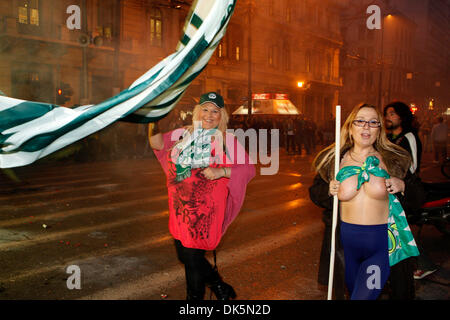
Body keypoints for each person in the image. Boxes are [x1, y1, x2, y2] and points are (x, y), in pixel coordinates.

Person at [148, 92, 255, 300]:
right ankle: (219, 286)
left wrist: (221, 171)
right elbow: (157, 144)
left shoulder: (227, 140)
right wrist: (153, 120)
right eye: (205, 109)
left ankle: (195, 301)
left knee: (192, 256)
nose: (209, 114)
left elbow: (249, 170)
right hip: (181, 209)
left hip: (207, 212)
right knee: (184, 254)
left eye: (215, 111)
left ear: (221, 116)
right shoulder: (183, 133)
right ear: (197, 112)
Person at [311, 103, 420, 300]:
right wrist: (328, 190)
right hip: (345, 247)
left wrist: (403, 185)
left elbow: (420, 194)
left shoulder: (395, 160)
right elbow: (315, 193)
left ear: (379, 130)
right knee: (353, 294)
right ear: (350, 127)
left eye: (373, 122)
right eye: (360, 121)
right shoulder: (334, 160)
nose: (366, 127)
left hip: (380, 246)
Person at [384, 101, 436, 288]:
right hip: (389, 187)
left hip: (407, 188)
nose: (388, 117)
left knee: (401, 227)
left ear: (401, 116)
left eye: (392, 113)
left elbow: (413, 166)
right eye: (386, 114)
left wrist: (399, 179)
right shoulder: (389, 138)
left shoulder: (409, 136)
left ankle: (425, 263)